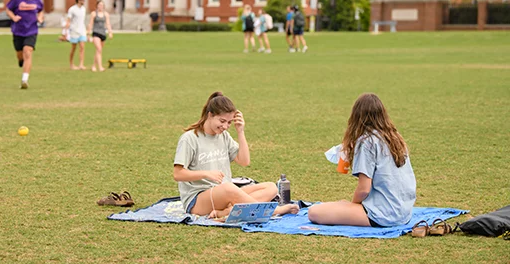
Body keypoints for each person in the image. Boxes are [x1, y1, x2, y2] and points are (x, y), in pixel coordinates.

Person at [173, 92, 300, 219]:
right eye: (222, 121)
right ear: (210, 115)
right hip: (197, 201)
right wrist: (206, 173)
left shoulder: (223, 136)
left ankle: (225, 212)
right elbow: (178, 174)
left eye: (229, 122)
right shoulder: (190, 139)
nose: (225, 126)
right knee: (229, 188)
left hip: (224, 194)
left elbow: (244, 161)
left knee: (271, 188)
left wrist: (240, 131)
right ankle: (273, 211)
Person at [307, 93, 416, 227]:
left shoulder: (366, 142)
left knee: (314, 212)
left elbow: (364, 189)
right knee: (340, 205)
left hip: (383, 215)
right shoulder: (395, 137)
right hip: (404, 212)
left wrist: (352, 206)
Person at [5, 0, 44, 89]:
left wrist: (40, 17)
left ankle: (24, 80)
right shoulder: (16, 0)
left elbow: (41, 10)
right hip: (18, 31)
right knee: (20, 54)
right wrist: (13, 17)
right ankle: (20, 60)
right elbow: (8, 9)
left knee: (28, 51)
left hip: (31, 31)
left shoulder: (37, 1)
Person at [87, 0, 113, 72]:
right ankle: (100, 67)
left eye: (102, 5)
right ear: (97, 5)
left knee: (98, 51)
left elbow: (108, 24)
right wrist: (88, 34)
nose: (101, 6)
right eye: (99, 5)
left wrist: (110, 32)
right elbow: (90, 24)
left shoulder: (106, 14)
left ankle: (94, 66)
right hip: (96, 33)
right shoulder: (94, 14)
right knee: (99, 49)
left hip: (103, 34)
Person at [65, 0, 87, 70]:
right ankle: (71, 64)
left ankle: (81, 64)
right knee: (74, 48)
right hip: (74, 31)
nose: (84, 1)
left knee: (82, 47)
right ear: (78, 0)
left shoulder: (84, 9)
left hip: (82, 30)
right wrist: (65, 31)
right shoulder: (72, 9)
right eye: (82, 0)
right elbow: (68, 20)